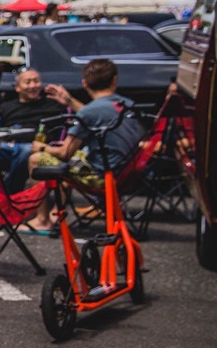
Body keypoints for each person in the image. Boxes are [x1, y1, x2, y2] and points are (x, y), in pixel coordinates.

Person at [25, 58, 144, 233]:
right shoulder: (126, 104)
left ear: (85, 83)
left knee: (37, 159)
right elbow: (96, 116)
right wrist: (70, 101)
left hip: (103, 176)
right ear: (114, 81)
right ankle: (56, 212)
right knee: (73, 159)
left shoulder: (90, 112)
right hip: (127, 172)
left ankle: (42, 220)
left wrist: (42, 148)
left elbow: (65, 152)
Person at [0, 68, 68, 192]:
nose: (33, 86)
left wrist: (67, 101)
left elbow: (76, 120)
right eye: (28, 82)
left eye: (36, 81)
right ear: (17, 87)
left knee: (26, 151)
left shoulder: (53, 105)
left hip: (35, 147)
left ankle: (10, 194)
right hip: (6, 146)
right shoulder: (6, 107)